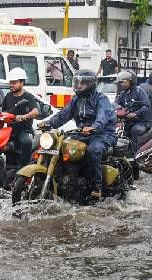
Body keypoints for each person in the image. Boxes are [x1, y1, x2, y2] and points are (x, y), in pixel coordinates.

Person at [39, 69, 115, 200]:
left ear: (90, 84)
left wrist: (93, 127)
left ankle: (97, 187)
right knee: (61, 147)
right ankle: (67, 180)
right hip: (82, 133)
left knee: (93, 150)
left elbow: (102, 117)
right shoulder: (76, 99)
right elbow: (63, 116)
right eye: (77, 83)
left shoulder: (101, 99)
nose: (78, 86)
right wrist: (48, 123)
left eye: (82, 83)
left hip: (102, 134)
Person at [0, 67, 41, 168]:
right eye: (10, 82)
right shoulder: (8, 96)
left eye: (14, 83)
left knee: (25, 142)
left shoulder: (28, 97)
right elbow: (2, 111)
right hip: (10, 130)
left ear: (22, 82)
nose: (11, 85)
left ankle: (25, 167)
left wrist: (23, 117)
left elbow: (35, 112)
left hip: (25, 130)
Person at [114, 70, 152, 155]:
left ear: (131, 81)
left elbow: (146, 106)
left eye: (124, 82)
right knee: (117, 131)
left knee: (134, 131)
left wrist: (135, 113)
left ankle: (134, 154)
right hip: (128, 122)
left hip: (142, 122)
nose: (122, 84)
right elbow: (115, 103)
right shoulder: (123, 94)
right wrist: (117, 108)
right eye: (120, 83)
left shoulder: (140, 92)